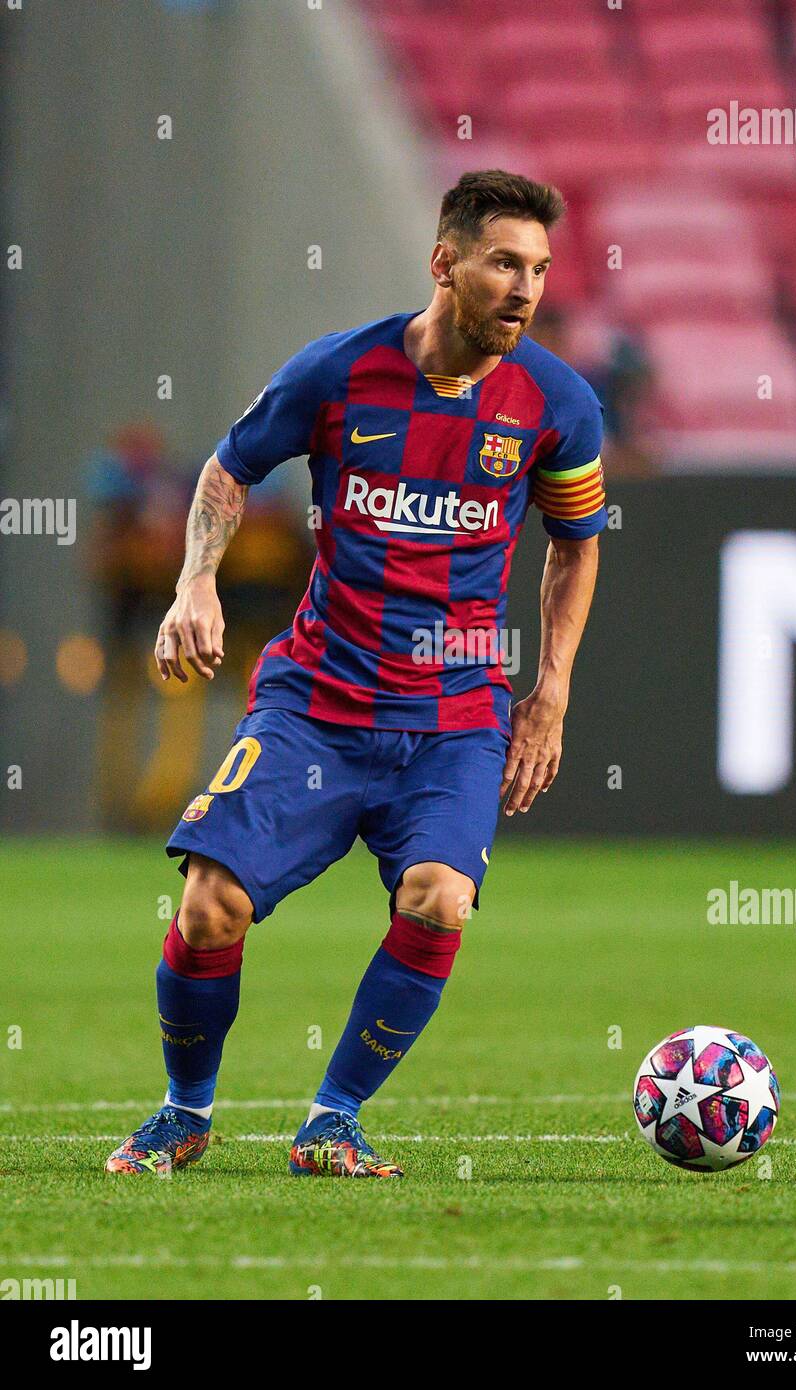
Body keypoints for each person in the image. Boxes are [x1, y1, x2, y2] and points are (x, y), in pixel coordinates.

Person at [105, 169, 607, 1180]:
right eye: (503, 262)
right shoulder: (337, 373)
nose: (524, 288)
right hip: (317, 704)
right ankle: (183, 1112)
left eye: (540, 270)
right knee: (207, 904)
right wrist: (194, 583)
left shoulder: (557, 404)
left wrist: (549, 689)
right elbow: (228, 467)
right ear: (444, 262)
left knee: (438, 898)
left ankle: (331, 1119)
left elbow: (575, 541)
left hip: (454, 714)